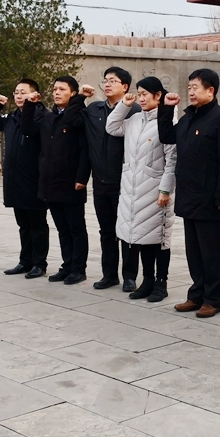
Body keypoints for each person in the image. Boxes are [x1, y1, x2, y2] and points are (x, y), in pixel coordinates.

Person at [157, 68, 220, 318]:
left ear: (211, 90)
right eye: (189, 87)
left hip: (209, 198)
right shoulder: (188, 118)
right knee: (194, 250)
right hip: (188, 194)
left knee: (212, 252)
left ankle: (213, 298)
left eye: (196, 87)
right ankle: (197, 294)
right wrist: (166, 108)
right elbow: (166, 136)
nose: (191, 92)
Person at [106, 76, 177, 302]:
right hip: (133, 188)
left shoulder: (168, 120)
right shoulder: (134, 119)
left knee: (160, 238)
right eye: (139, 94)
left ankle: (161, 283)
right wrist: (124, 105)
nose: (141, 98)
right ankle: (147, 281)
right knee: (142, 236)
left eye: (145, 94)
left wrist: (165, 190)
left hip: (156, 189)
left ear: (159, 95)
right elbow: (111, 126)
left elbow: (172, 159)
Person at [19, 76, 91, 285]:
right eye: (54, 89)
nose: (57, 93)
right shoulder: (48, 117)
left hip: (71, 181)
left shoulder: (79, 117)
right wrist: (30, 105)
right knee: (62, 228)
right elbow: (27, 129)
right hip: (51, 181)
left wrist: (82, 177)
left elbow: (85, 150)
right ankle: (67, 266)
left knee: (76, 228)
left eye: (62, 89)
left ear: (73, 93)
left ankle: (78, 268)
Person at [82, 67, 140, 291]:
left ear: (125, 87)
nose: (107, 84)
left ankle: (130, 276)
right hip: (100, 181)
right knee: (106, 231)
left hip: (125, 183)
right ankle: (109, 275)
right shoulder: (94, 109)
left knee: (127, 231)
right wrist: (80, 98)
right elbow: (74, 124)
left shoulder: (134, 111)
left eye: (113, 81)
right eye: (105, 81)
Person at [0, 79, 49, 279]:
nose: (19, 96)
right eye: (16, 93)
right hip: (15, 179)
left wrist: (31, 106)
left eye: (23, 92)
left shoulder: (41, 116)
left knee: (37, 224)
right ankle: (25, 261)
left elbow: (32, 131)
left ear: (34, 94)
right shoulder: (11, 117)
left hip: (34, 179)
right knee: (23, 224)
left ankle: (39, 263)